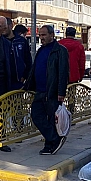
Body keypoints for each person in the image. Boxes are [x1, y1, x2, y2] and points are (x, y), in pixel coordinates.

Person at [25, 25, 70, 155]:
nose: (42, 38)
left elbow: (63, 72)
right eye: (40, 35)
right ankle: (54, 139)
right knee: (36, 116)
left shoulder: (60, 50)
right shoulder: (41, 50)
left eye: (44, 35)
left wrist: (61, 92)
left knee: (51, 119)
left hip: (52, 91)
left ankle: (50, 144)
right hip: (39, 91)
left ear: (51, 35)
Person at [4, 19, 32, 90]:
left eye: (4, 27)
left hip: (18, 80)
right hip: (2, 81)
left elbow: (28, 60)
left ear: (10, 26)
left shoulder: (22, 41)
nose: (2, 29)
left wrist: (24, 76)